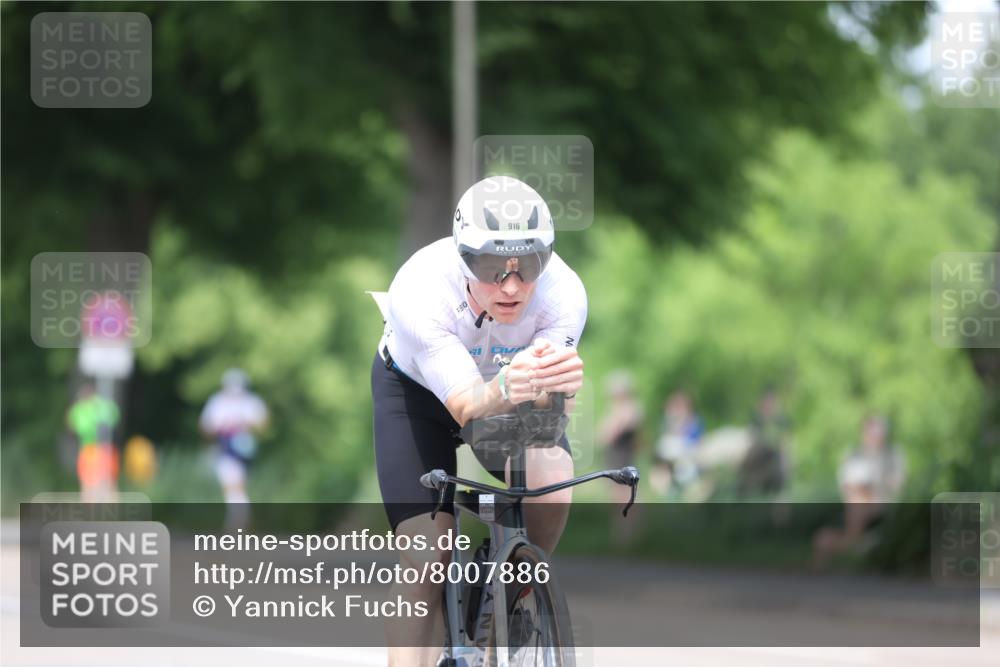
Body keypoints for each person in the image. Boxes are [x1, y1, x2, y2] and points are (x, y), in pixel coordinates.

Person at [372, 175, 586, 667]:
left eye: (527, 267)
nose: (510, 286)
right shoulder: (420, 288)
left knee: (553, 476)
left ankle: (517, 593)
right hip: (417, 396)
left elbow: (551, 418)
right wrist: (513, 383)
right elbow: (467, 404)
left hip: (511, 396)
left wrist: (560, 393)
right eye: (492, 268)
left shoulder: (564, 294)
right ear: (463, 258)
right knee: (427, 556)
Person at [812, 414, 906, 569]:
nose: (874, 436)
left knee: (858, 504)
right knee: (856, 501)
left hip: (882, 507)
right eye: (871, 432)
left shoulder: (893, 455)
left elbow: (896, 486)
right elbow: (848, 486)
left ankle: (851, 542)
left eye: (877, 432)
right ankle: (852, 543)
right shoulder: (853, 455)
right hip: (857, 508)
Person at [199, 368, 269, 529]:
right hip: (226, 446)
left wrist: (244, 424)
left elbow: (264, 423)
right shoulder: (218, 402)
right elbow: (206, 427)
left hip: (244, 447)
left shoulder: (250, 402)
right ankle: (240, 521)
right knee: (233, 483)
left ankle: (238, 522)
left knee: (234, 484)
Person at [597, 371, 643, 543]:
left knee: (624, 499)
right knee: (618, 500)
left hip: (622, 460)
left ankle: (627, 538)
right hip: (618, 458)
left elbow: (607, 435)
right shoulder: (623, 410)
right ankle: (622, 537)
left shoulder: (629, 409)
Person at [66, 381, 121, 502]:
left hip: (90, 448)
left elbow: (76, 427)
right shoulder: (103, 404)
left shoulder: (80, 408)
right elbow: (115, 416)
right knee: (108, 480)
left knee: (89, 482)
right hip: (105, 446)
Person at [738, 388, 791, 497]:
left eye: (772, 402)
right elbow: (750, 437)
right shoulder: (756, 419)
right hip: (757, 457)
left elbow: (786, 441)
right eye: (767, 402)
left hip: (774, 460)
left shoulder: (781, 420)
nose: (769, 406)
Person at [650, 390, 703, 495]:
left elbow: (695, 440)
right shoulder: (669, 420)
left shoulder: (694, 420)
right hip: (670, 457)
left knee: (685, 473)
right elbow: (665, 437)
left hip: (687, 455)